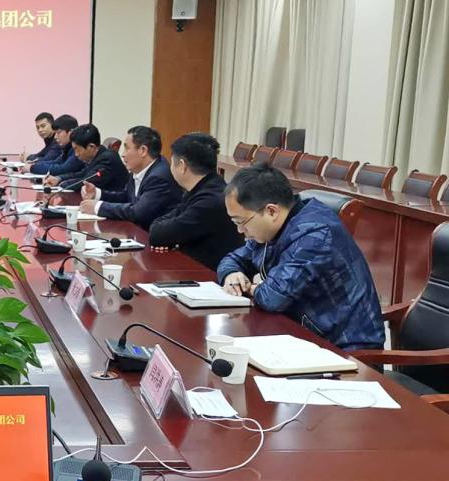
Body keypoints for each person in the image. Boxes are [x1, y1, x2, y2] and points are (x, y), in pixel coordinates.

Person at [217, 164, 384, 350]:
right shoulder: (273, 227)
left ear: (271, 211)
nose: (240, 230)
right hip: (303, 336)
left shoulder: (316, 234)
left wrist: (248, 288)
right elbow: (233, 259)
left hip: (345, 349)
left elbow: (273, 297)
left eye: (241, 221)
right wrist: (231, 274)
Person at [147, 133, 245, 268]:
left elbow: (157, 235)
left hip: (213, 275)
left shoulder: (209, 200)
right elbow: (162, 228)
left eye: (172, 162)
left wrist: (168, 238)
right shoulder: (203, 188)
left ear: (182, 166)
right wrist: (168, 238)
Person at [78, 125, 182, 229]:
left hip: (152, 235)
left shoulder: (159, 177)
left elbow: (138, 212)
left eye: (127, 148)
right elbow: (125, 197)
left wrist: (98, 207)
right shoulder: (138, 168)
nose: (123, 154)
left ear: (143, 150)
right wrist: (97, 193)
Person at [52, 124, 128, 192]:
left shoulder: (107, 160)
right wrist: (59, 178)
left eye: (77, 149)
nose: (76, 154)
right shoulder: (99, 155)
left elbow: (85, 183)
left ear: (91, 147)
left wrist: (62, 184)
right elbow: (82, 174)